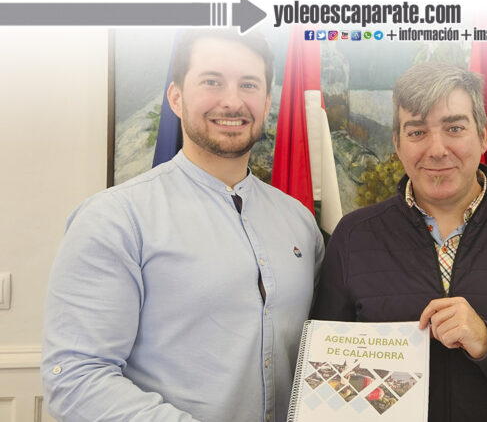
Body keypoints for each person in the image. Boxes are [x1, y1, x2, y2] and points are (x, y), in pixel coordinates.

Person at [41, 29, 324, 422]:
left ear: (266, 102)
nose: (232, 100)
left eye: (248, 84)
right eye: (212, 81)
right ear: (176, 98)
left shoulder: (299, 222)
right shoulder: (115, 219)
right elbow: (75, 379)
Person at [312, 62, 487, 421]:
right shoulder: (353, 236)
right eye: (417, 132)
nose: (437, 149)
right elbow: (325, 375)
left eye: (454, 128)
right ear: (397, 144)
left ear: (483, 135)